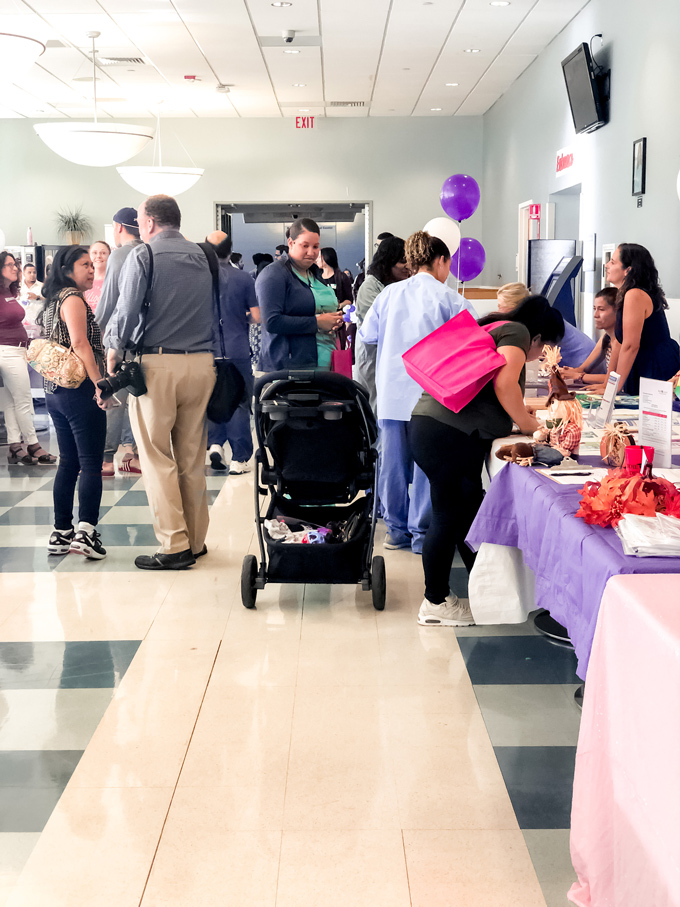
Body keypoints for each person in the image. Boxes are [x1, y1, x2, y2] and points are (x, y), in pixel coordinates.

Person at [410, 296, 565, 626]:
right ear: (538, 338)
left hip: (433, 427)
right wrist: (528, 425)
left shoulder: (494, 325)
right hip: (447, 434)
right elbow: (504, 382)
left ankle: (490, 591)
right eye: (545, 349)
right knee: (448, 515)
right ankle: (435, 601)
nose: (539, 358)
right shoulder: (518, 332)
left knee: (468, 511)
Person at [104, 194, 216, 571]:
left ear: (149, 223)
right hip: (202, 364)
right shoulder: (205, 255)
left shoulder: (145, 255)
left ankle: (173, 546)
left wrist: (113, 350)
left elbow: (126, 308)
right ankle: (197, 540)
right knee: (191, 457)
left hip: (157, 366)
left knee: (155, 457)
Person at [358, 230, 475, 554]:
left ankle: (395, 530)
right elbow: (474, 345)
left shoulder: (388, 295)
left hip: (393, 393)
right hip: (433, 398)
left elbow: (367, 336)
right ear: (441, 261)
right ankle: (422, 534)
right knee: (428, 468)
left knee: (392, 465)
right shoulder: (451, 299)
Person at [40, 246, 114, 558]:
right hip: (78, 389)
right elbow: (80, 343)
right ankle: (86, 532)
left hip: (55, 391)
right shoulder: (72, 298)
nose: (91, 268)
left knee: (69, 461)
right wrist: (100, 384)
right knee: (90, 463)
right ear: (68, 269)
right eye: (84, 264)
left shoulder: (53, 298)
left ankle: (62, 532)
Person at [205, 230, 260, 474]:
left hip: (207, 349)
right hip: (237, 349)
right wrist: (241, 318)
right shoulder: (243, 278)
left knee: (212, 398)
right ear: (230, 250)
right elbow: (257, 317)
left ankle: (215, 444)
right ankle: (239, 459)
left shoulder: (201, 278)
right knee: (238, 401)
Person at [256, 218, 342, 371]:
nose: (311, 252)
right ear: (291, 243)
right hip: (290, 369)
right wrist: (317, 322)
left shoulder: (315, 274)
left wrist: (332, 321)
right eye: (305, 246)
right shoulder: (274, 275)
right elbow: (272, 321)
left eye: (316, 246)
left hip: (324, 362)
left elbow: (315, 309)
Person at [96, 207, 143, 477]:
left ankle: (105, 460)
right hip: (146, 341)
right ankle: (136, 455)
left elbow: (110, 303)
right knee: (140, 398)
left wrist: (95, 333)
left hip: (120, 341)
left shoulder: (121, 255)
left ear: (118, 227)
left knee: (113, 398)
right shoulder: (148, 252)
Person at [601, 243, 680, 395]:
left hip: (654, 366)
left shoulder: (635, 294)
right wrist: (607, 384)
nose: (606, 265)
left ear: (628, 270)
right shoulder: (627, 293)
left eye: (613, 262)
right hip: (645, 362)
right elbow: (618, 342)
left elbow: (630, 346)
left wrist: (614, 389)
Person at [0, 251, 56, 465]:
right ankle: (33, 444)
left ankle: (15, 446)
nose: (15, 268)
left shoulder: (10, 291)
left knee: (12, 401)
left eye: (15, 264)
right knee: (24, 400)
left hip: (19, 350)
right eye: (10, 265)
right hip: (7, 351)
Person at [353, 236, 409, 416]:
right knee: (374, 404)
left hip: (392, 357)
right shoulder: (370, 286)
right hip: (372, 355)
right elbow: (380, 326)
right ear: (388, 262)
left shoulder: (401, 286)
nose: (407, 266)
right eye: (402, 261)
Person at [496, 281, 595, 368]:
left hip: (584, 362)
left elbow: (550, 351)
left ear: (515, 306)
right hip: (576, 360)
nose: (498, 310)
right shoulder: (535, 315)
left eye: (501, 306)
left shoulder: (540, 319)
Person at [560, 287, 618, 384]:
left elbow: (614, 379)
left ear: (617, 312)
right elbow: (583, 369)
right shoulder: (606, 337)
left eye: (601, 309)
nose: (595, 315)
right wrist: (569, 371)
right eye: (594, 309)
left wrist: (579, 376)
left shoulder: (621, 341)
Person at [84, 241, 110, 312]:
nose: (98, 256)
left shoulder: (113, 281)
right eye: (94, 253)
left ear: (110, 256)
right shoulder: (83, 281)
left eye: (103, 253)